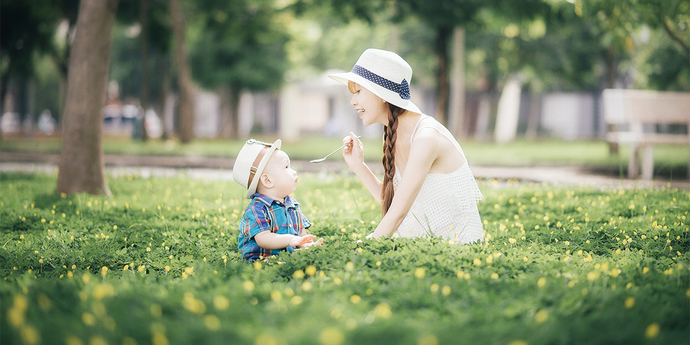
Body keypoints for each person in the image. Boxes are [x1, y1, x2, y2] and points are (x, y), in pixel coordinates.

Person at [329, 48, 484, 244]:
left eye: (358, 91)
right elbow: (394, 204)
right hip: (423, 250)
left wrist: (362, 248)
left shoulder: (426, 137)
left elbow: (398, 214)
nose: (353, 101)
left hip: (455, 253)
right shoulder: (396, 134)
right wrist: (358, 166)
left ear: (382, 93)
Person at [233, 139, 323, 262]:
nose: (294, 172)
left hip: (286, 256)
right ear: (268, 181)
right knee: (265, 264)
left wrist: (308, 245)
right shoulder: (256, 209)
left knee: (303, 259)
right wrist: (290, 240)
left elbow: (301, 235)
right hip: (260, 257)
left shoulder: (293, 205)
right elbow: (263, 239)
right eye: (286, 167)